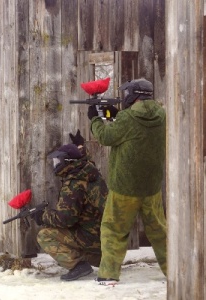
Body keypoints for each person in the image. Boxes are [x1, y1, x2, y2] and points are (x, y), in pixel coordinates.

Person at [87, 78, 167, 286]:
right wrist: (111, 113)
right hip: (152, 187)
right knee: (159, 232)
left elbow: (105, 136)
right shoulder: (162, 115)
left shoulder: (127, 118)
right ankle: (175, 270)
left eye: (127, 94)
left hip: (125, 187)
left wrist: (95, 118)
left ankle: (108, 275)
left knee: (113, 229)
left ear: (134, 95)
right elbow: (132, 128)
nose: (125, 97)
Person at [31, 136, 108, 281]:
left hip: (93, 243)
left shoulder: (74, 184)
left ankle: (78, 266)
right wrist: (79, 146)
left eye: (58, 161)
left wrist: (43, 216)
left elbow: (66, 219)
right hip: (107, 242)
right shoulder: (90, 172)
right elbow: (84, 158)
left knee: (45, 235)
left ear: (68, 162)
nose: (55, 164)